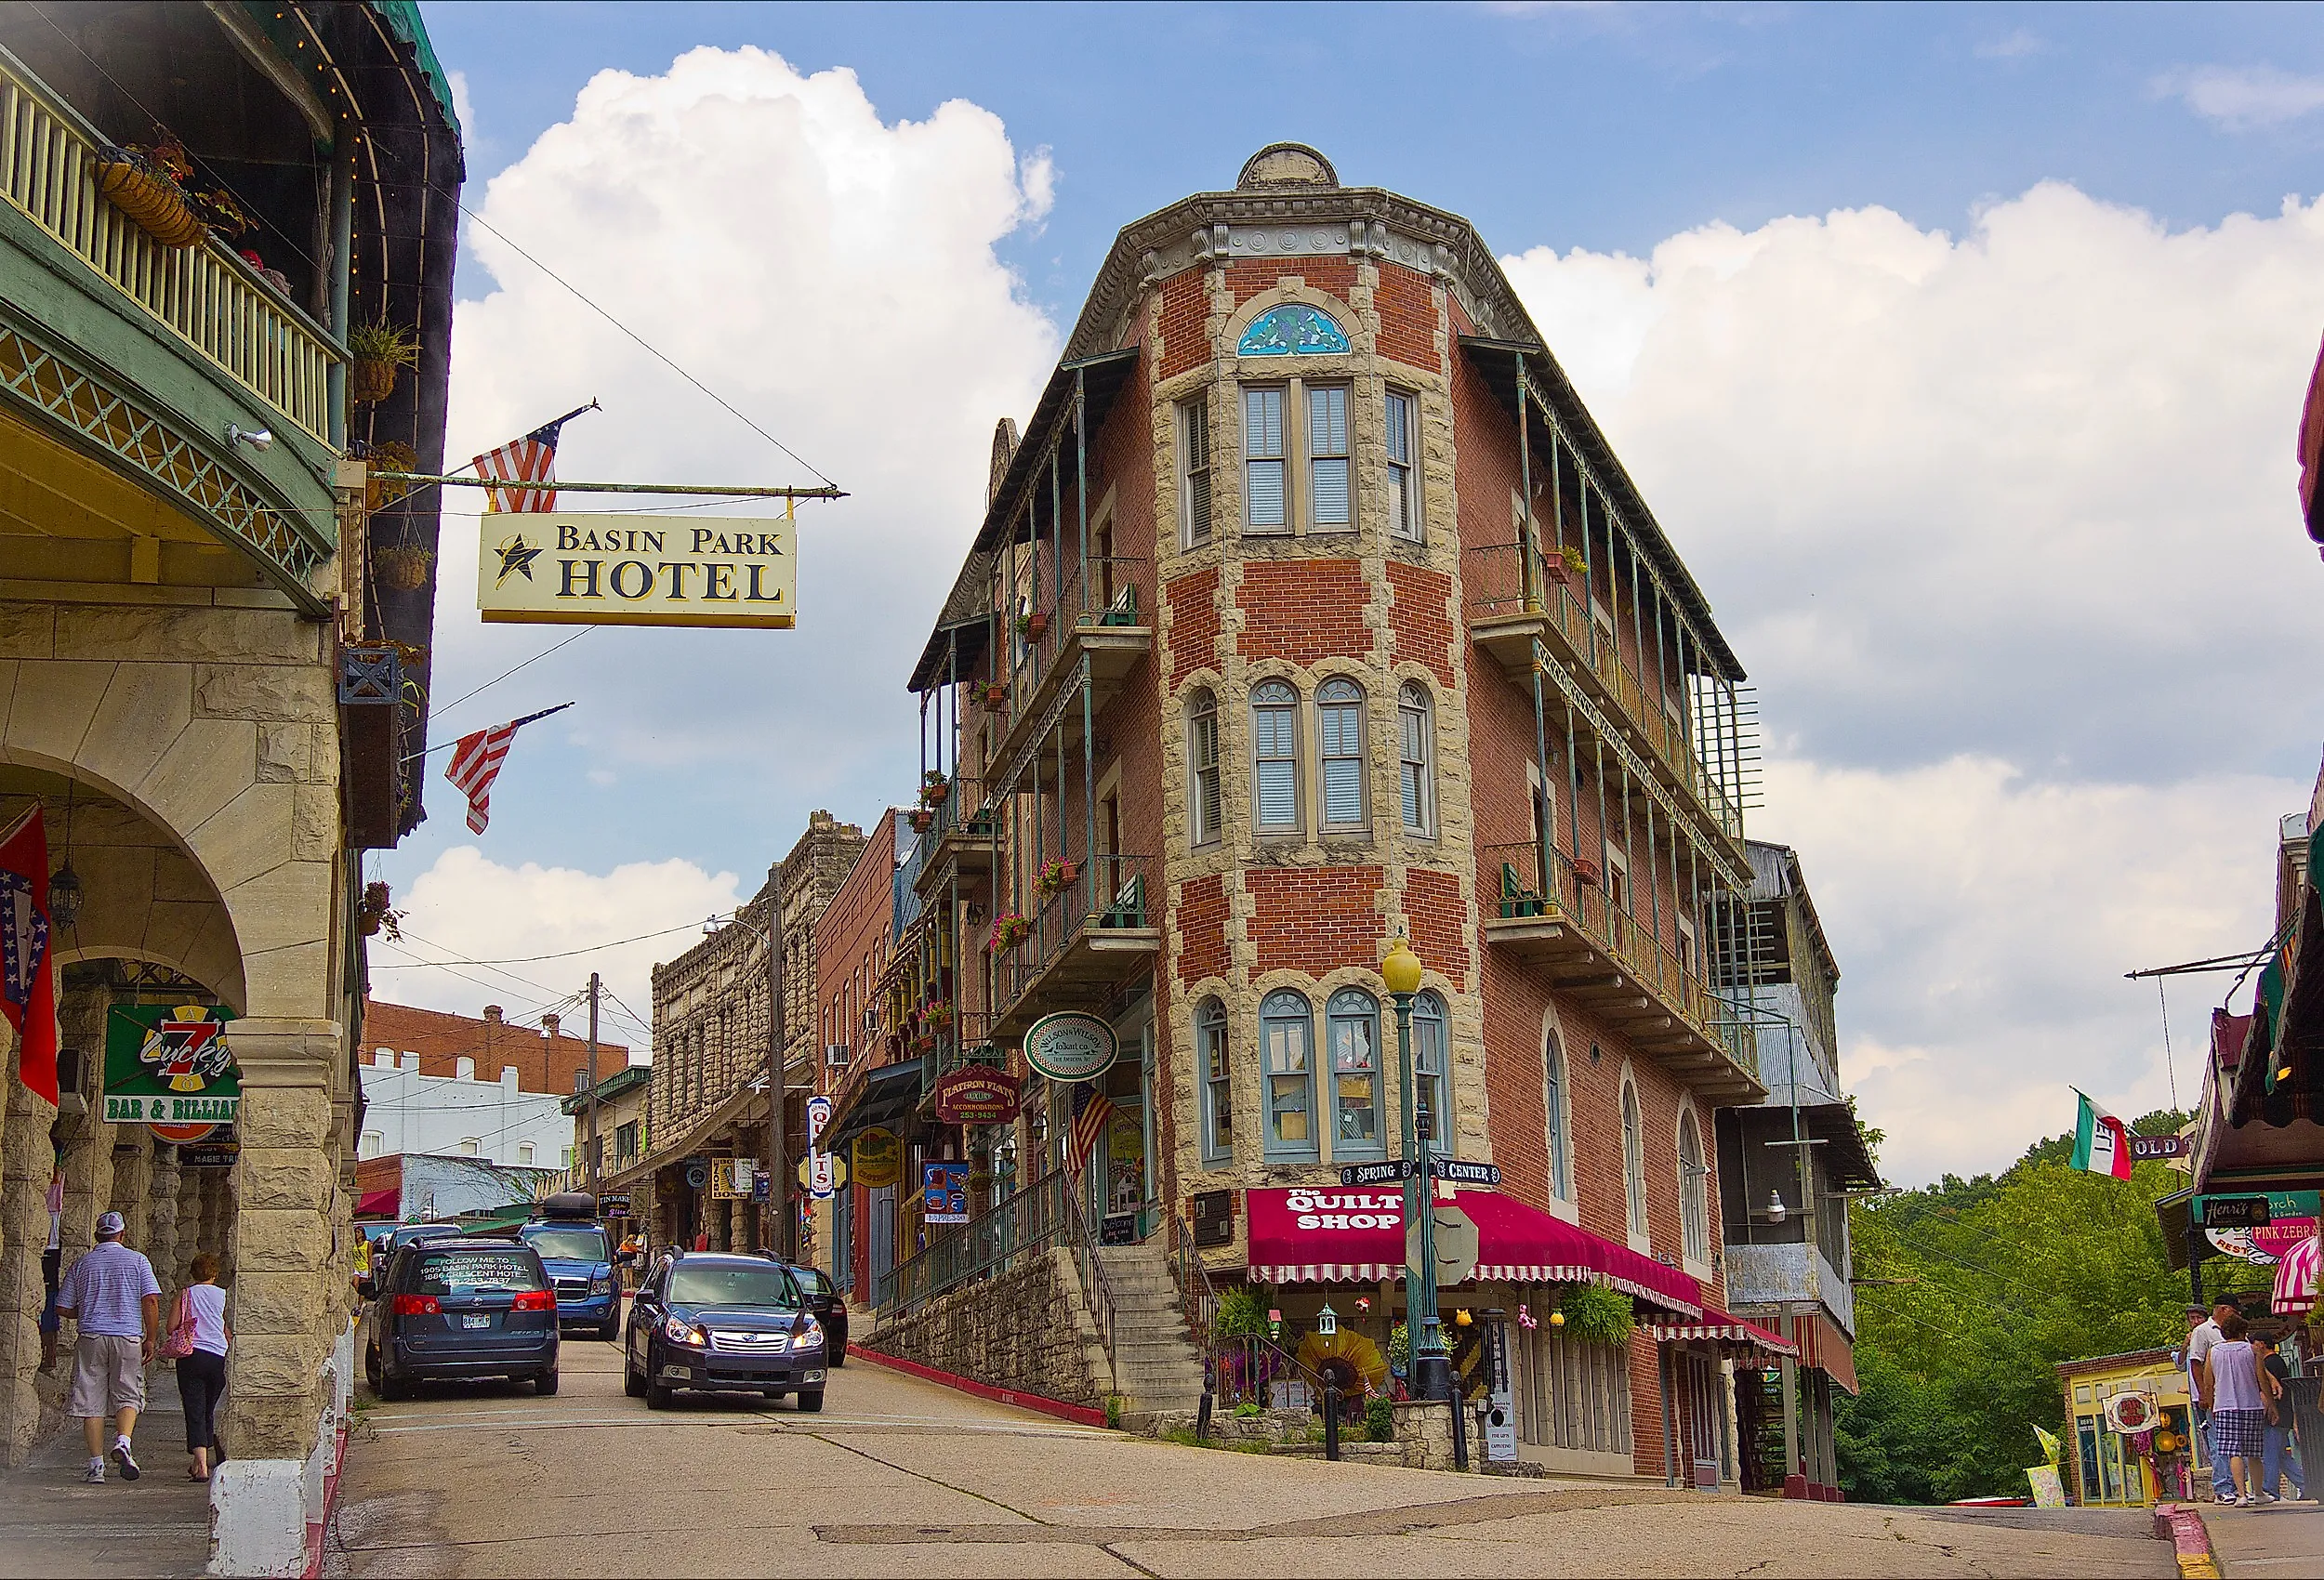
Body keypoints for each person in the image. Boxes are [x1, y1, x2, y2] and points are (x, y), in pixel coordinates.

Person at [54, 1210, 162, 1484]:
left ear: (96, 1235)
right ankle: (123, 1442)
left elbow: (62, 1306)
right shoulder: (138, 1261)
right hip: (127, 1336)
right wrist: (150, 1337)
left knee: (92, 1400)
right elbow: (150, 1301)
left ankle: (95, 1467)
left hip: (91, 1336)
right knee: (128, 1393)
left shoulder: (82, 1264)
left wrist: (88, 1309)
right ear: (122, 1234)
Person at [2198, 1310, 2270, 1507]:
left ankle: (2241, 1495)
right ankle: (2258, 1492)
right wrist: (2270, 1402)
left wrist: (2212, 1405)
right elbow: (2261, 1378)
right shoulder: (2252, 1350)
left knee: (2233, 1452)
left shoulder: (2214, 1352)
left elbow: (2207, 1382)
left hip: (2224, 1407)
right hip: (2251, 1405)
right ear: (2242, 1331)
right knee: (2254, 1453)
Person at [175, 1253, 231, 1482]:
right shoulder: (224, 1296)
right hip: (217, 1356)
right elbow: (228, 1329)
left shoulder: (186, 1295)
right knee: (207, 1409)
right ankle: (201, 1457)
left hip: (191, 1356)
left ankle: (201, 1465)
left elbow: (171, 1326)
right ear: (215, 1274)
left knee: (194, 1409)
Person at [2186, 1297, 2240, 1502]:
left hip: (2233, 1394)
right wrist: (2203, 1394)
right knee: (2218, 1442)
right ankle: (2223, 1487)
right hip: (2215, 1396)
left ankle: (2237, 1487)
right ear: (2224, 1310)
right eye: (2235, 1311)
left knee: (2235, 1443)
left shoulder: (2233, 1332)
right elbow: (2196, 1364)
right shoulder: (2203, 1331)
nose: (2237, 1315)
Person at [2253, 1333, 2304, 1503]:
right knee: (2282, 1456)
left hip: (2274, 1417)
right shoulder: (2278, 1361)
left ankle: (2270, 1490)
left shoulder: (2269, 1363)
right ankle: (2306, 1485)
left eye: (2253, 1344)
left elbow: (2270, 1392)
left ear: (2261, 1344)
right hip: (2284, 1415)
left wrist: (2268, 1411)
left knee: (2270, 1454)